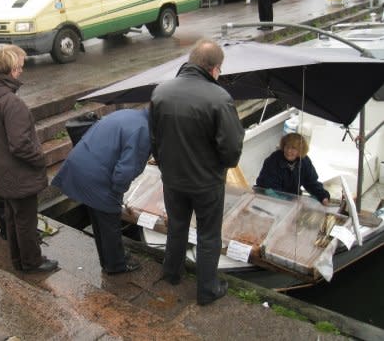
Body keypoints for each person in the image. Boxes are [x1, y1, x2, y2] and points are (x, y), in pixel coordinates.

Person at [150, 39, 244, 306]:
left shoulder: (161, 92)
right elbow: (231, 150)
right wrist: (219, 168)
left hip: (173, 180)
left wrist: (166, 166)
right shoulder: (220, 98)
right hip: (206, 183)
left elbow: (154, 139)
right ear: (215, 68)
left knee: (177, 227)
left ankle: (172, 273)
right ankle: (206, 289)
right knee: (208, 235)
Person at [0, 45, 58, 273]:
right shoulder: (11, 103)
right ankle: (32, 262)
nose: (21, 71)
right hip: (18, 174)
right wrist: (40, 159)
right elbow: (20, 145)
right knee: (26, 221)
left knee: (12, 219)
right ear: (11, 69)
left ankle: (17, 259)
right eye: (20, 67)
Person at [52, 108, 151, 275]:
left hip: (80, 163)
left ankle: (107, 259)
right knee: (109, 219)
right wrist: (118, 193)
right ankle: (116, 265)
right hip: (96, 175)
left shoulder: (129, 113)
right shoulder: (144, 130)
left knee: (99, 218)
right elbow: (125, 171)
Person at [256, 133, 330, 205]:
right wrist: (289, 200)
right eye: (287, 147)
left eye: (293, 148)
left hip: (291, 199)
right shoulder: (273, 160)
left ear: (300, 150)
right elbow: (269, 189)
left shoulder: (304, 161)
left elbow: (311, 182)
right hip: (268, 198)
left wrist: (323, 196)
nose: (289, 151)